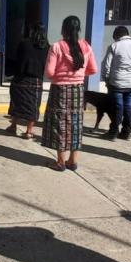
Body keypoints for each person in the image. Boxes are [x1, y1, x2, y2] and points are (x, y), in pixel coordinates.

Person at [41, 15, 98, 172]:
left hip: (60, 90)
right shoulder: (86, 46)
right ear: (78, 29)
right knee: (75, 123)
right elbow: (93, 69)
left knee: (60, 124)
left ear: (63, 29)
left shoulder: (57, 47)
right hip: (78, 90)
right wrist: (77, 74)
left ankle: (60, 162)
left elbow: (49, 72)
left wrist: (63, 74)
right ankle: (73, 161)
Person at [101, 26, 131, 141]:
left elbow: (106, 65)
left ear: (116, 36)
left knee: (117, 108)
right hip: (130, 84)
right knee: (127, 107)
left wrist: (107, 79)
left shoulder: (114, 46)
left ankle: (113, 133)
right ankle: (126, 132)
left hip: (116, 83)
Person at [6, 20, 49, 139]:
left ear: (32, 31)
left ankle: (13, 126)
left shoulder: (24, 44)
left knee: (16, 103)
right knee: (33, 106)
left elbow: (18, 61)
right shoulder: (47, 46)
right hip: (36, 80)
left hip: (21, 79)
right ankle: (29, 131)